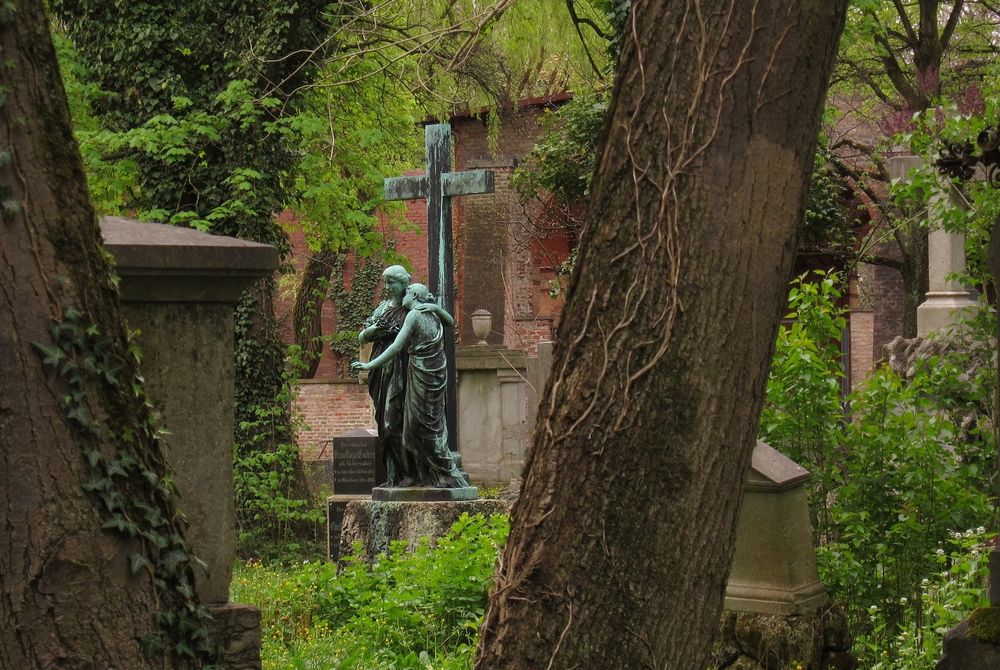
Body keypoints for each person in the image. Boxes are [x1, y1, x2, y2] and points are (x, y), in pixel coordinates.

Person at [353, 283, 468, 488]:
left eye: (406, 291)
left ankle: (443, 472)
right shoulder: (432, 315)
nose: (402, 292)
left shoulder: (413, 315)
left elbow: (397, 347)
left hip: (420, 373)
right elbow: (449, 321)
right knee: (426, 425)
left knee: (419, 426)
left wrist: (368, 364)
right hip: (431, 373)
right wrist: (437, 308)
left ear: (413, 295)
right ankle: (434, 474)